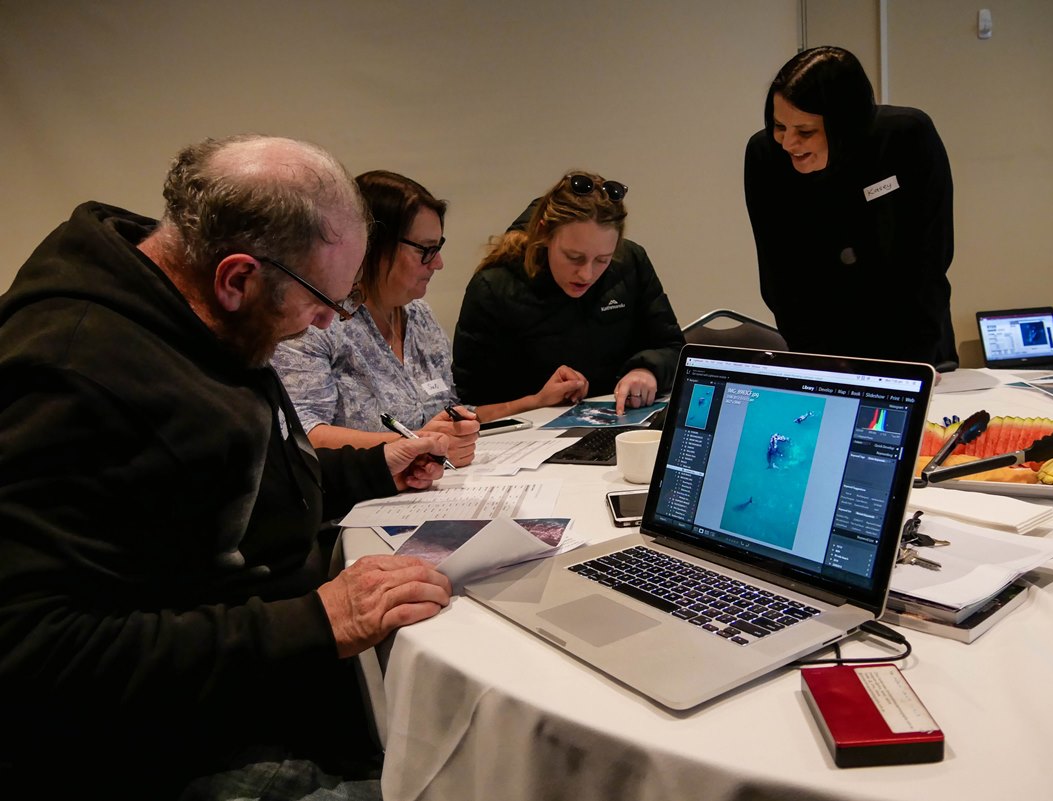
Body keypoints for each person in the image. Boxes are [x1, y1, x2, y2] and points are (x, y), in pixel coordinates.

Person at [0, 135, 453, 798]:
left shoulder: (195, 318)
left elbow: (228, 487)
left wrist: (374, 468)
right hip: (152, 751)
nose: (326, 322)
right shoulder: (71, 373)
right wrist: (316, 622)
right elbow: (31, 650)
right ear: (237, 276)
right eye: (321, 301)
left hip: (243, 689)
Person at [744, 45, 958, 367]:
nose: (788, 143)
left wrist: (914, 363)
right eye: (779, 126)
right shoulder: (766, 157)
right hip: (821, 345)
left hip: (914, 341)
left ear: (845, 125)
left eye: (805, 131)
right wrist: (818, 363)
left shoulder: (906, 138)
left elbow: (930, 260)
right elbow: (779, 280)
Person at [274, 170, 483, 467]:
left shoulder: (419, 316)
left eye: (438, 248)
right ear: (373, 245)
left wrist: (458, 430)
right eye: (426, 250)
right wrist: (416, 444)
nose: (438, 263)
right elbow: (300, 432)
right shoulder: (318, 320)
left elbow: (448, 408)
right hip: (350, 502)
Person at [453, 171, 685, 415]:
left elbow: (672, 347)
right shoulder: (494, 286)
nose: (586, 274)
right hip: (526, 438)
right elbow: (470, 403)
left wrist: (647, 371)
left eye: (602, 260)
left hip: (619, 421)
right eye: (574, 257)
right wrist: (537, 400)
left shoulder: (631, 262)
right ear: (544, 234)